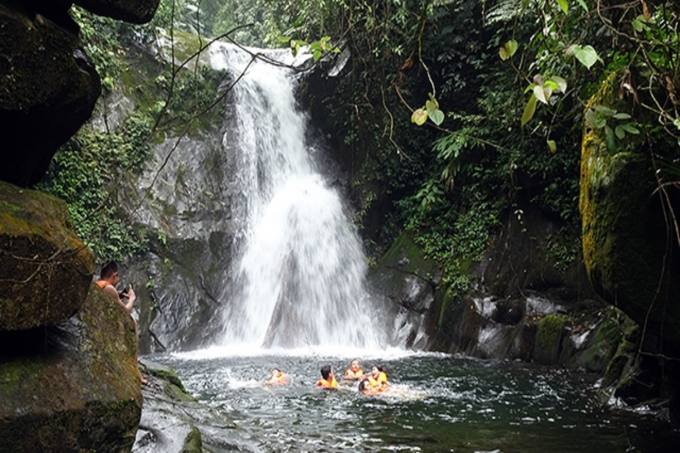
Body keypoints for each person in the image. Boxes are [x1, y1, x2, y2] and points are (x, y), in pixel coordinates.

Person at [96, 261, 145, 384]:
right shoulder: (109, 288)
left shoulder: (98, 285)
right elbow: (126, 311)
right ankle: (135, 369)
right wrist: (132, 299)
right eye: (117, 277)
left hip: (99, 321)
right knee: (133, 322)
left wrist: (117, 297)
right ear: (115, 274)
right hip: (105, 326)